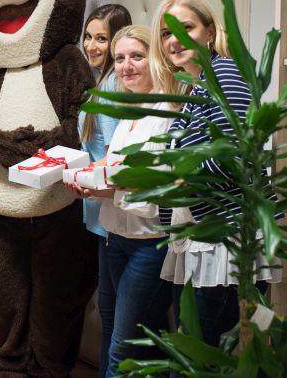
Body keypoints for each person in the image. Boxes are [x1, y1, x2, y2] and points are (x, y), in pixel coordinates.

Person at [150, 0, 279, 346]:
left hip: (227, 241)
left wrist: (175, 180)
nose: (174, 40)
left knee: (202, 353)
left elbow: (237, 152)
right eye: (166, 33)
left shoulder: (225, 74)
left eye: (185, 28)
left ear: (209, 31)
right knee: (197, 349)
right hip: (204, 236)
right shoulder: (196, 84)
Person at [66, 25, 173, 376]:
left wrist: (103, 188)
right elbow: (114, 164)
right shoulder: (129, 109)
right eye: (120, 58)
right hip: (114, 237)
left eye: (136, 56)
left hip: (149, 242)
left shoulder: (169, 111)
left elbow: (159, 185)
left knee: (122, 348)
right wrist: (78, 172)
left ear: (156, 57)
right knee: (118, 330)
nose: (126, 66)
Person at [77, 4, 131, 378]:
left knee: (114, 315)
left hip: (110, 211)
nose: (91, 45)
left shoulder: (111, 85)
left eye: (101, 38)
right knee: (112, 313)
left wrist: (77, 175)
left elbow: (114, 157)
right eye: (88, 36)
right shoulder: (103, 80)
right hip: (101, 212)